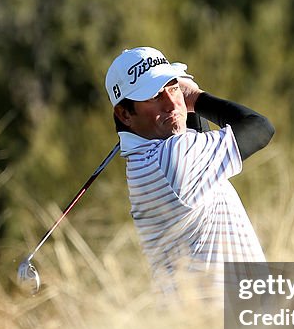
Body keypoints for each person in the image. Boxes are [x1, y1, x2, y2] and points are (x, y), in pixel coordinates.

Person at [105, 46, 274, 296]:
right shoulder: (171, 158)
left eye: (173, 89)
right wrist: (195, 96)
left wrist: (179, 100)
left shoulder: (145, 161)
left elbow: (191, 133)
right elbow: (260, 128)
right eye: (154, 97)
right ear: (125, 114)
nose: (172, 104)